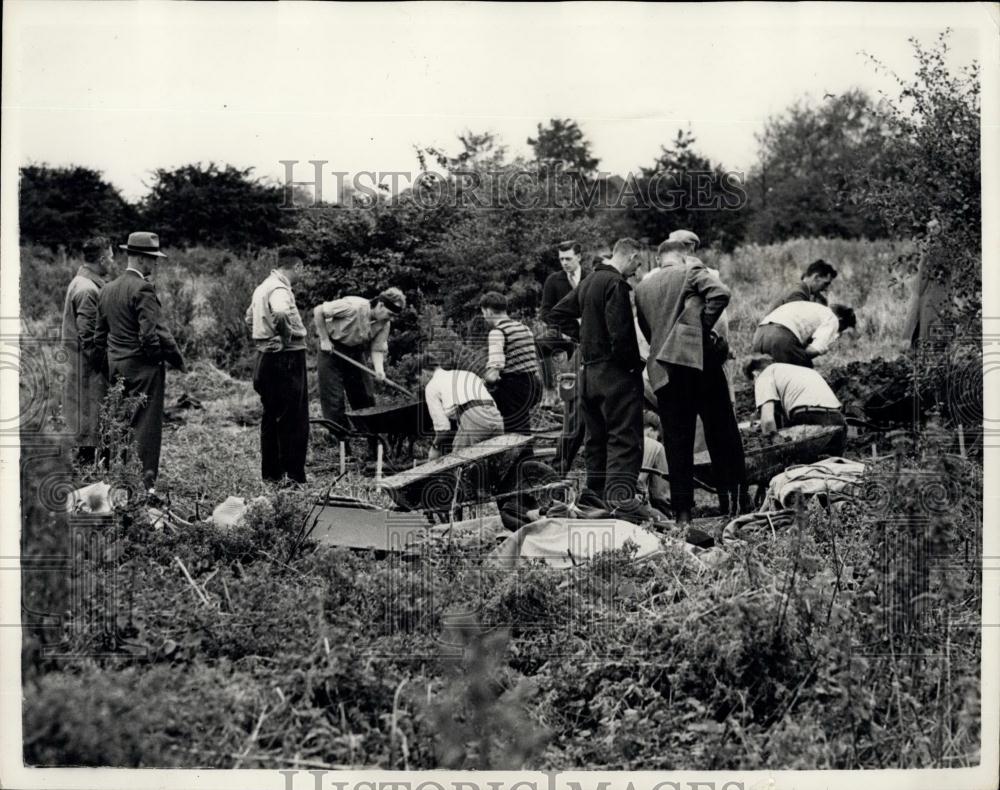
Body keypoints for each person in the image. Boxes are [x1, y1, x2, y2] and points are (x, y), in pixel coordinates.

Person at [635, 238, 749, 524]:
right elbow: (721, 294)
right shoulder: (691, 269)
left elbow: (649, 332)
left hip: (665, 371)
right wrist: (697, 331)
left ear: (660, 259)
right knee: (722, 435)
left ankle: (683, 515)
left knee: (677, 444)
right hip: (700, 366)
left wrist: (667, 347)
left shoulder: (642, 288)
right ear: (684, 255)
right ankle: (733, 505)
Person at [548, 238, 657, 523]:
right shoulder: (614, 284)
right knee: (624, 437)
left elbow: (557, 313)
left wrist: (584, 337)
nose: (637, 270)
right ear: (631, 255)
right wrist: (634, 365)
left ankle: (593, 496)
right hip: (615, 375)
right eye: (638, 263)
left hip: (588, 374)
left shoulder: (588, 282)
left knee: (595, 439)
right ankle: (621, 501)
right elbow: (621, 334)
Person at [95, 231, 185, 494]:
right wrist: (155, 360)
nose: (155, 264)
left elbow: (99, 336)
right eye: (152, 259)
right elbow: (150, 334)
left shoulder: (107, 288)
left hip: (116, 367)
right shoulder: (143, 288)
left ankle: (119, 482)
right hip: (143, 368)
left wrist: (109, 364)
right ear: (142, 259)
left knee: (120, 424)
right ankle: (144, 487)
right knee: (146, 428)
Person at [244, 249, 310, 485]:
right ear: (298, 267)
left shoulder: (262, 287)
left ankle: (271, 476)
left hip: (265, 358)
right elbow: (281, 312)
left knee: (271, 418)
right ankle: (293, 478)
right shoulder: (280, 289)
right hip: (287, 358)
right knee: (294, 419)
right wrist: (286, 335)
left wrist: (263, 336)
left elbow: (249, 318)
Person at [313, 287, 406, 435]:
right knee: (334, 400)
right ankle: (342, 443)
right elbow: (319, 311)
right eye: (390, 314)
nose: (391, 318)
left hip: (355, 352)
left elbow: (377, 348)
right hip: (331, 349)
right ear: (381, 305)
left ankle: (372, 440)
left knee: (365, 396)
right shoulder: (353, 306)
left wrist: (379, 370)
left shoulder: (385, 323)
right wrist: (324, 339)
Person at [61, 236, 113, 465]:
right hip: (87, 371)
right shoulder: (87, 289)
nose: (113, 262)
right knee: (90, 426)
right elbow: (90, 340)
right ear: (102, 259)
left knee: (85, 423)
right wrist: (109, 368)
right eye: (111, 258)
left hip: (80, 368)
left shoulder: (80, 283)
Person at [744, 354, 847, 454]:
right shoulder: (798, 371)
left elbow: (768, 421)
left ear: (755, 374)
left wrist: (771, 450)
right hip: (837, 419)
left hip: (809, 419)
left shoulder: (764, 375)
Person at [418, 353, 505, 458]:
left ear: (424, 372)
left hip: (473, 419)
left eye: (418, 379)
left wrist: (435, 447)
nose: (421, 383)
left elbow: (443, 429)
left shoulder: (431, 386)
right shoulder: (466, 374)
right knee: (496, 462)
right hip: (495, 416)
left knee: (459, 463)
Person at [479, 291, 542, 434]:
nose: (484, 316)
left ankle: (520, 455)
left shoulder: (497, 332)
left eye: (483, 312)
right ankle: (526, 454)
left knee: (513, 430)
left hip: (513, 388)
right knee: (522, 425)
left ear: (488, 310)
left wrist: (483, 382)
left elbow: (494, 372)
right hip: (533, 384)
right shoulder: (525, 328)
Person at [751, 301, 856, 368]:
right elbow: (814, 349)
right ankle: (767, 366)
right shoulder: (833, 319)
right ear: (840, 320)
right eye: (841, 329)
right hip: (781, 337)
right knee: (805, 370)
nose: (838, 334)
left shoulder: (815, 308)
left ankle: (763, 366)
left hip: (760, 335)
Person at [902, 218, 950, 350]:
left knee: (929, 324)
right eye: (929, 229)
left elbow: (922, 279)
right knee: (932, 322)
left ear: (941, 228)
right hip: (938, 293)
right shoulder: (939, 248)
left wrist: (912, 283)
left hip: (935, 293)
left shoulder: (936, 249)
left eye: (935, 227)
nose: (932, 231)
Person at [765, 259, 838, 315]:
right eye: (825, 284)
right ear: (816, 277)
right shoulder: (797, 294)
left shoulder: (804, 292)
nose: (825, 289)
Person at [638, 411, 671, 520]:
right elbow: (660, 495)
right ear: (651, 431)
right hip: (633, 504)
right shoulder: (656, 446)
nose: (658, 440)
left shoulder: (619, 439)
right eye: (658, 437)